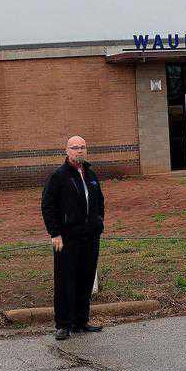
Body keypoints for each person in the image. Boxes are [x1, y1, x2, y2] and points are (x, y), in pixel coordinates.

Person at [40, 135, 104, 340]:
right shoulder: (58, 177)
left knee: (85, 278)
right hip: (66, 239)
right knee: (65, 281)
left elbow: (100, 202)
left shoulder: (91, 174)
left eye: (83, 147)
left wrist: (99, 222)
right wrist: (55, 233)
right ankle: (63, 324)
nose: (79, 151)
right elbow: (48, 206)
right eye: (75, 147)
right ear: (67, 151)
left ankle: (81, 321)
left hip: (90, 236)